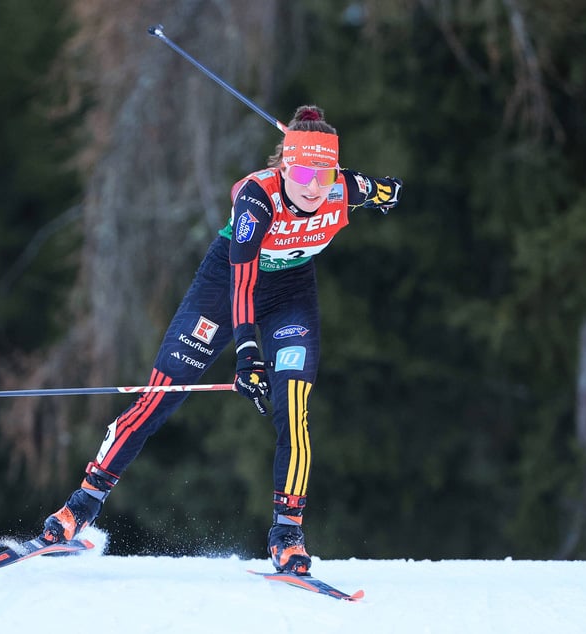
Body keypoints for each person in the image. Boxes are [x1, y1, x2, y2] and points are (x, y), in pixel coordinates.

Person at [38, 105, 402, 574]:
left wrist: (386, 192)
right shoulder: (257, 198)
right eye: (306, 171)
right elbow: (243, 282)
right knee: (159, 397)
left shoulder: (341, 187)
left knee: (293, 407)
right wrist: (247, 353)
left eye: (325, 172)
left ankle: (287, 534)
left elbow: (384, 190)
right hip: (225, 288)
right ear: (286, 165)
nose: (315, 186)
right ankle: (80, 506)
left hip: (291, 296)